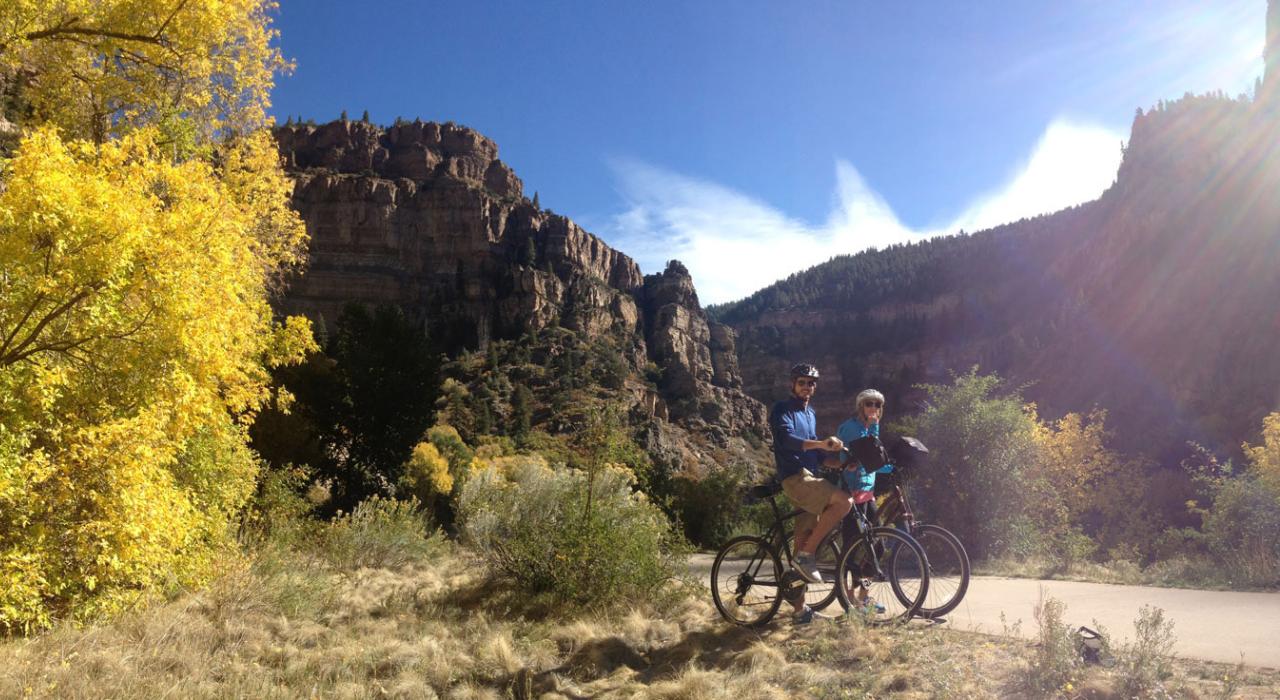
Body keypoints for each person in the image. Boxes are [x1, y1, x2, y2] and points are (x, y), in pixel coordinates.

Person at [769, 363, 850, 623]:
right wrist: (821, 443)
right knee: (843, 501)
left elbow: (815, 454)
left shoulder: (810, 413)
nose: (807, 387)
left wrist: (841, 462)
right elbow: (787, 440)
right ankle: (807, 557)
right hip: (794, 477)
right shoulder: (782, 409)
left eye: (812, 383)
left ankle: (799, 610)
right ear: (792, 384)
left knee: (802, 539)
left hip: (810, 476)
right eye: (803, 382)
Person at [835, 388, 893, 612]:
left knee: (877, 548)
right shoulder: (850, 427)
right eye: (869, 403)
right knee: (851, 547)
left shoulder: (872, 428)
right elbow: (844, 455)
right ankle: (849, 598)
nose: (874, 408)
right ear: (861, 406)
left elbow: (875, 458)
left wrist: (896, 466)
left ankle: (864, 594)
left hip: (868, 495)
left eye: (878, 405)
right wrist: (849, 460)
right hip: (850, 493)